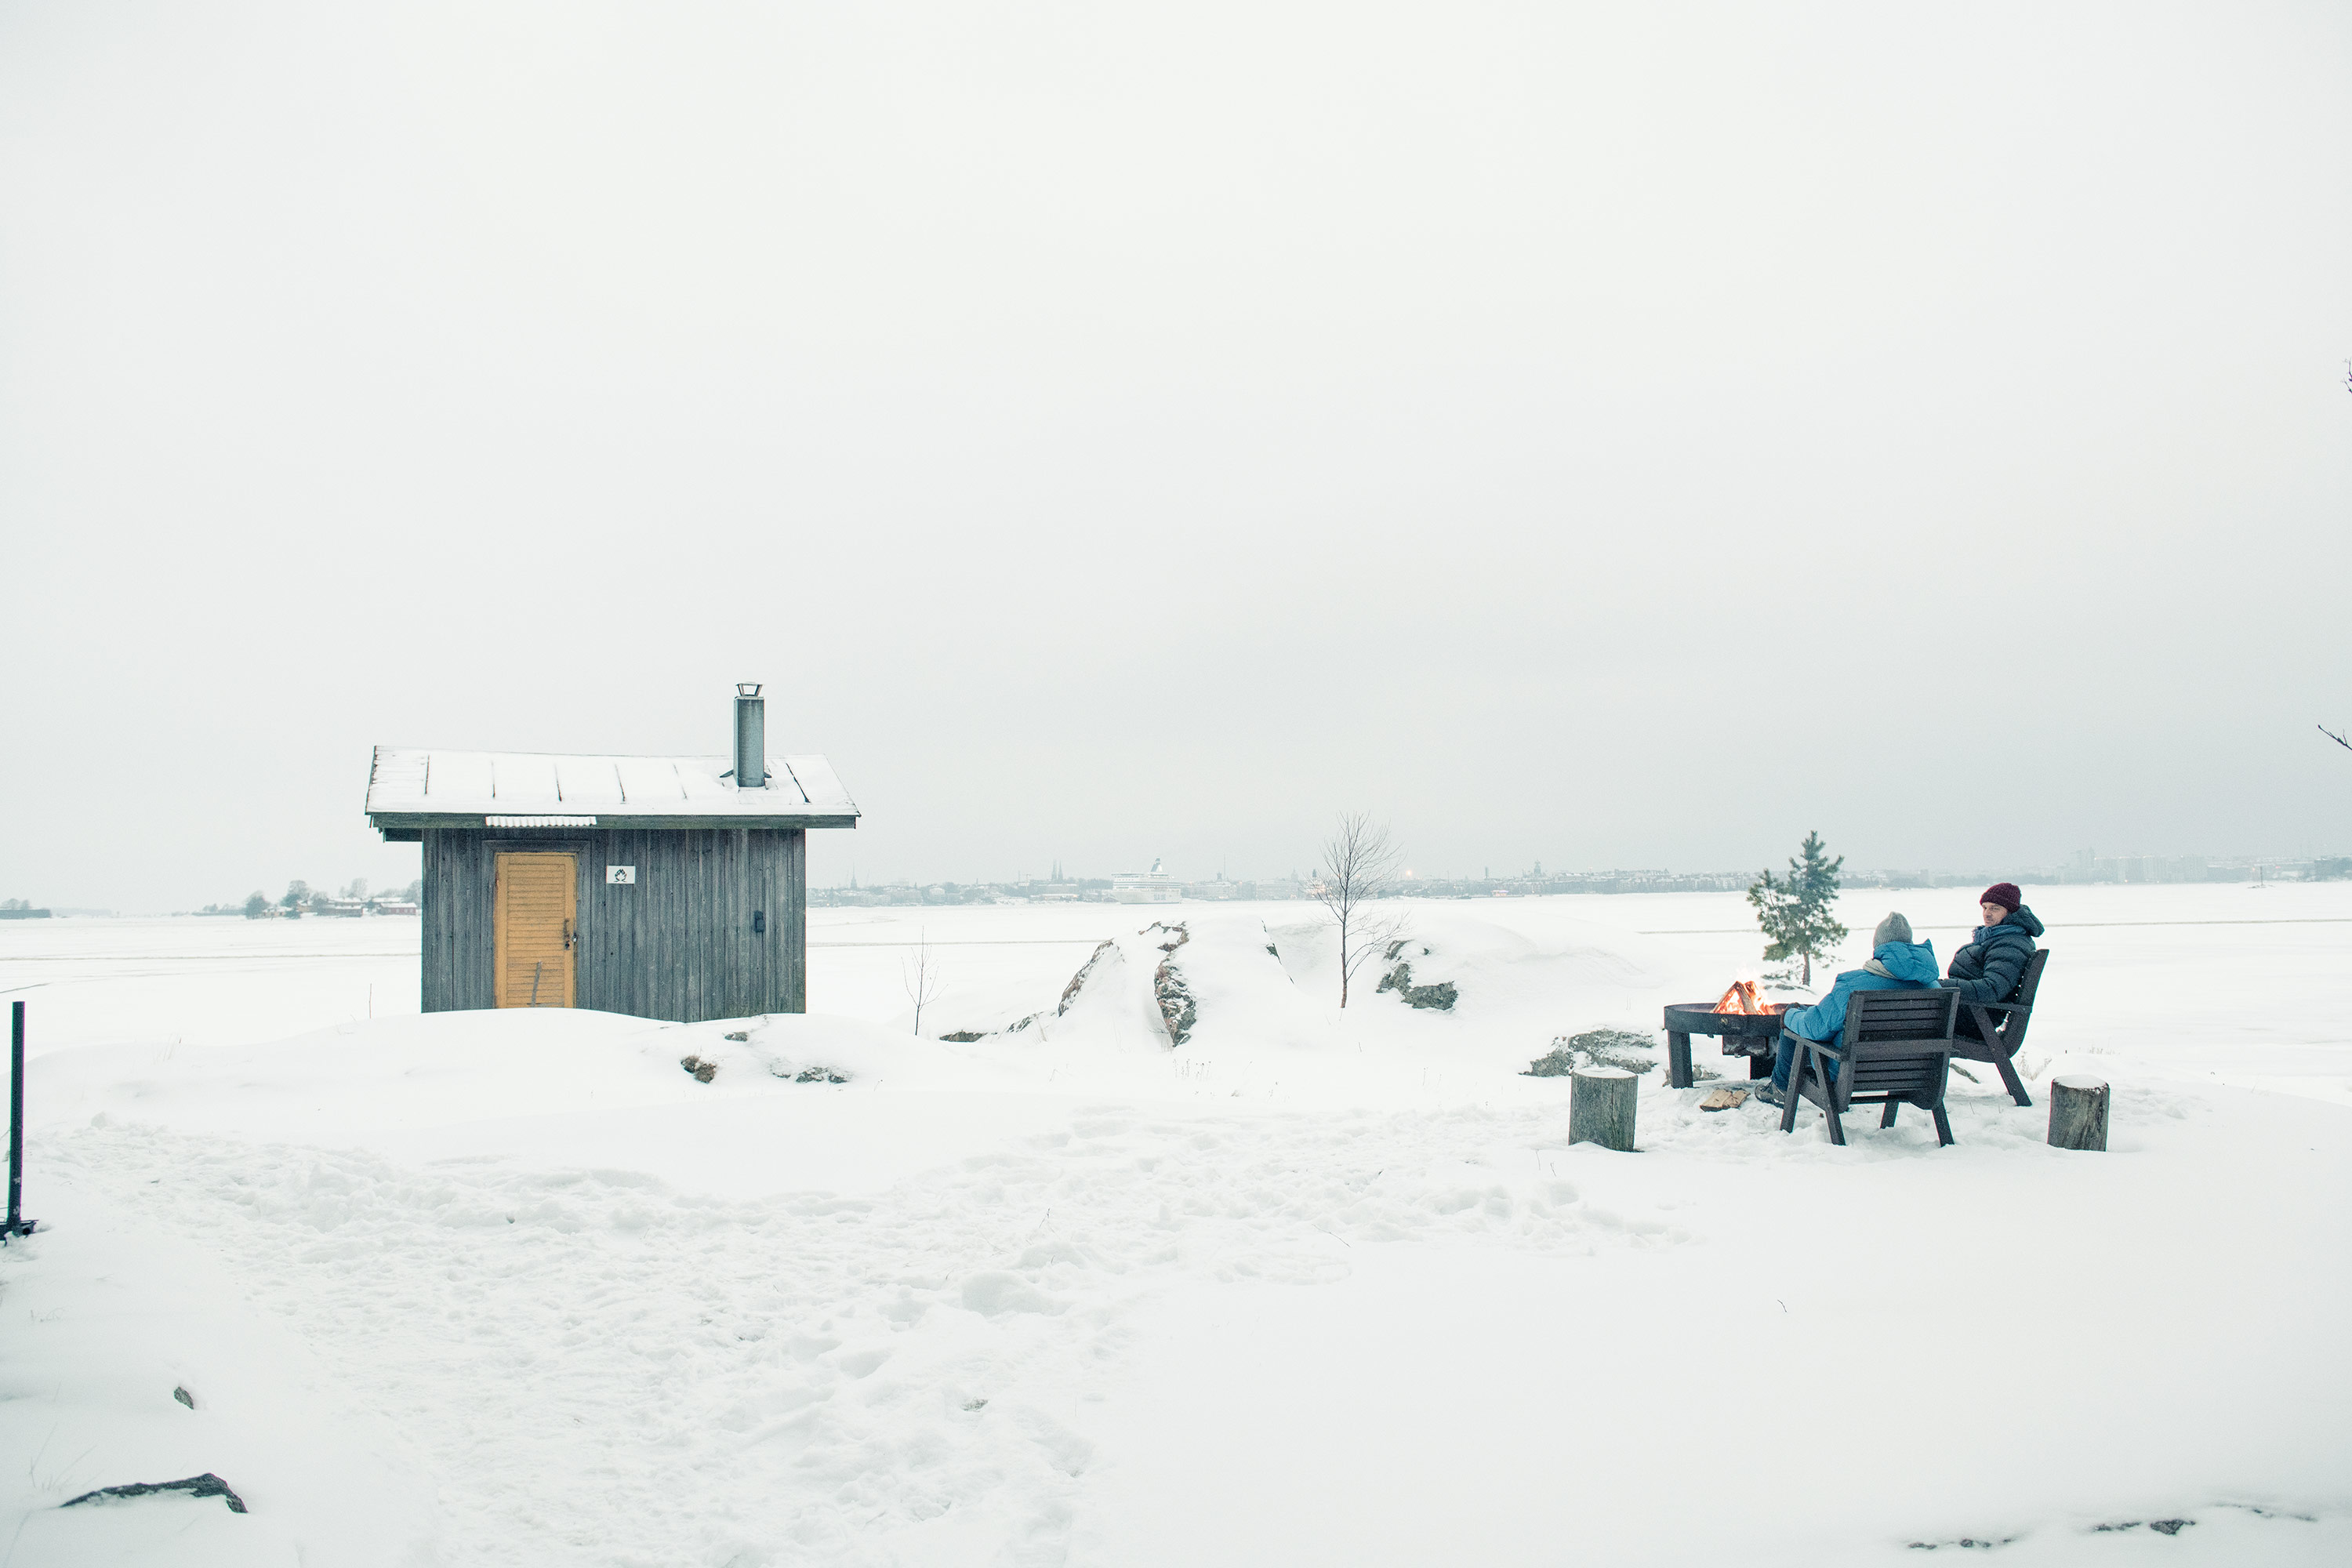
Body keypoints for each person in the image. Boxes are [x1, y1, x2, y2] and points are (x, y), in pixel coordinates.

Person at [1755, 912, 1940, 1107]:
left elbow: (1814, 1028)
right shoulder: (1934, 988)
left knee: (1795, 1023)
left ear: (1878, 947)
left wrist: (1789, 1015)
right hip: (1916, 1072)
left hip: (1851, 1072)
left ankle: (1779, 1089)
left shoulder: (1854, 985)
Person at [1941, 882, 2043, 1032]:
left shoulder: (2010, 944)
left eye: (1995, 908)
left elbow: (1991, 989)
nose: (1987, 913)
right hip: (1969, 1012)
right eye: (1985, 908)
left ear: (2010, 912)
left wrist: (1941, 986)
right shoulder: (1998, 937)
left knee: (1910, 1016)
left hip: (1978, 1018)